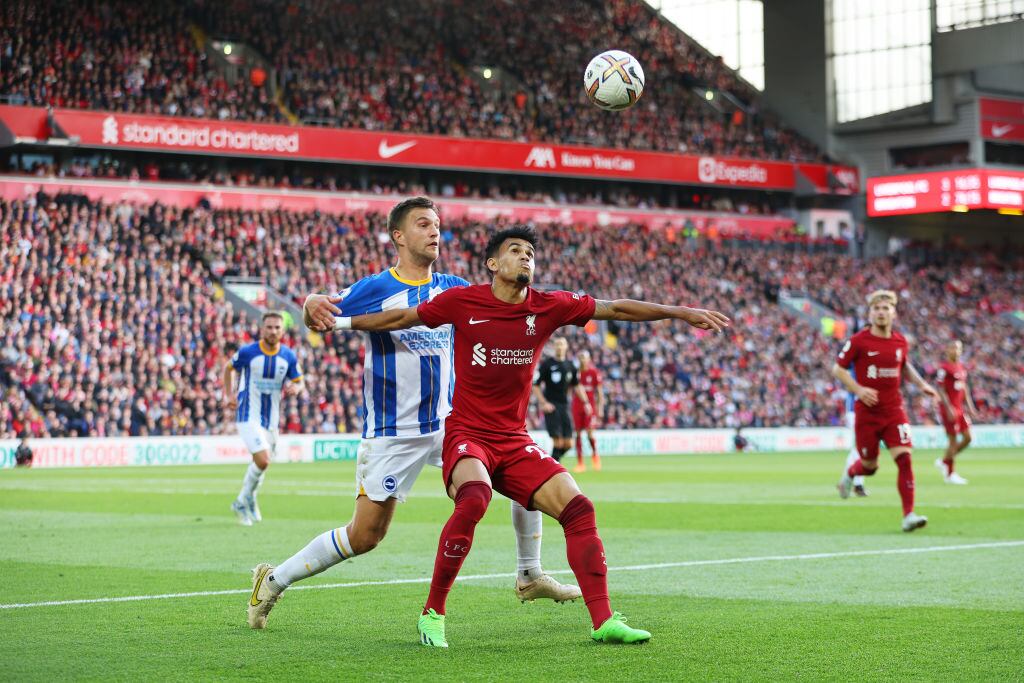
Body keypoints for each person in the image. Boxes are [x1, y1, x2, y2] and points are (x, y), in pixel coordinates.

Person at [333, 225, 730, 647]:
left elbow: (616, 310)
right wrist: (339, 323)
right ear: (492, 263)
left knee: (580, 509)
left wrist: (679, 312)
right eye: (516, 251)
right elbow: (399, 317)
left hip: (514, 440)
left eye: (531, 253)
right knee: (474, 499)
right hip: (467, 434)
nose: (526, 258)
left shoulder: (549, 306)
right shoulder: (462, 301)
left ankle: (604, 620)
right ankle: (433, 612)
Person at [246, 198, 579, 630]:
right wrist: (311, 302)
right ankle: (272, 580)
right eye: (423, 224)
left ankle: (530, 573)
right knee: (365, 536)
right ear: (398, 236)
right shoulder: (374, 289)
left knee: (520, 472)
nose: (434, 232)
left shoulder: (455, 288)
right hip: (393, 430)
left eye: (438, 225)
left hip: (455, 423)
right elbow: (319, 315)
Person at [833, 290, 940, 532]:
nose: (881, 313)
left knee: (905, 459)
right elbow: (838, 369)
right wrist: (859, 390)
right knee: (870, 466)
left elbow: (904, 365)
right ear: (870, 313)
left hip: (894, 411)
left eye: (885, 309)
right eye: (877, 309)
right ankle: (850, 474)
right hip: (867, 413)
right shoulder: (859, 341)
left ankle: (908, 514)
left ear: (894, 313)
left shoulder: (900, 341)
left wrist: (922, 385)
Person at [223, 311, 305, 526]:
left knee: (262, 464)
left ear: (283, 331)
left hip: (271, 420)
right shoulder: (249, 352)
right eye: (269, 327)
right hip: (248, 414)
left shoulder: (288, 356)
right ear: (262, 329)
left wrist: (296, 387)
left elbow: (300, 380)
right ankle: (242, 501)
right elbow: (229, 368)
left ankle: (246, 498)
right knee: (263, 459)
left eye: (277, 327)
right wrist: (229, 394)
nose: (273, 331)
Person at [533, 337, 588, 465]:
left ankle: (549, 464)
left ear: (566, 347)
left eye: (562, 344)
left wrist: (586, 402)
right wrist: (544, 403)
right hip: (552, 406)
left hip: (564, 406)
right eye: (557, 344)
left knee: (569, 443)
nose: (559, 347)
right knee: (558, 442)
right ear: (554, 347)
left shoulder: (570, 366)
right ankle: (552, 468)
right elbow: (535, 385)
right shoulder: (547, 364)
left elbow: (577, 385)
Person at [934, 340, 977, 485]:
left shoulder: (961, 367)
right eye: (952, 348)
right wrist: (948, 408)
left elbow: (964, 388)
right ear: (947, 350)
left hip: (960, 408)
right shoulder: (944, 368)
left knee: (968, 438)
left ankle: (945, 461)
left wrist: (970, 406)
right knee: (953, 441)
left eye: (958, 348)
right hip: (949, 409)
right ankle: (950, 474)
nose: (955, 350)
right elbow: (940, 389)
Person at [572, 350, 603, 472]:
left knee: (590, 432)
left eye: (584, 358)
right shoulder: (576, 373)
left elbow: (599, 392)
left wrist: (600, 409)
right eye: (580, 358)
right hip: (576, 406)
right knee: (578, 433)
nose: (582, 360)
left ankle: (595, 456)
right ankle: (580, 463)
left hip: (590, 407)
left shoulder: (594, 372)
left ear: (589, 359)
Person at [842, 369, 869, 496]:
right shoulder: (854, 368)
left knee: (858, 449)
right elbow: (848, 387)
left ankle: (848, 481)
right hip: (854, 411)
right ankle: (857, 484)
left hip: (861, 411)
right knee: (860, 449)